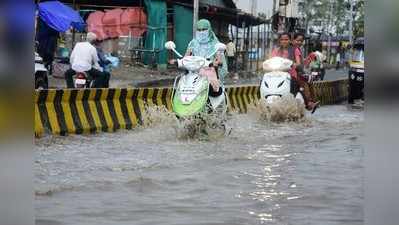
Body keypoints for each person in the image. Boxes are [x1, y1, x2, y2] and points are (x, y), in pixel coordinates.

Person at [170, 19, 227, 95]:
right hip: (193, 71)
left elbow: (219, 60)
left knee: (212, 88)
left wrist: (216, 63)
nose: (201, 32)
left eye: (204, 29)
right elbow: (186, 57)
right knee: (179, 88)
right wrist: (177, 61)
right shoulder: (193, 43)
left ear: (209, 30)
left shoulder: (215, 44)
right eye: (199, 30)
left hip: (209, 71)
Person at [271, 32, 319, 113]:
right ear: (279, 41)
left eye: (286, 39)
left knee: (301, 86)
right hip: (277, 75)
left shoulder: (295, 50)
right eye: (282, 39)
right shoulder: (276, 50)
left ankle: (308, 103)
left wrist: (294, 64)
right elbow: (271, 60)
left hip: (291, 75)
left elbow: (299, 63)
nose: (284, 41)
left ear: (290, 40)